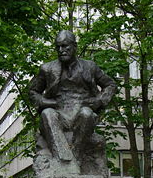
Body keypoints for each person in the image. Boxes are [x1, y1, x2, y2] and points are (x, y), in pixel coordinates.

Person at [29, 30, 116, 166]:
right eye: (58, 47)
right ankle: (63, 159)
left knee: (87, 114)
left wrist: (99, 101)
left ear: (74, 46)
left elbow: (110, 85)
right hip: (58, 111)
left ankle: (75, 158)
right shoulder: (47, 68)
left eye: (65, 46)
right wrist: (46, 102)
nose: (61, 50)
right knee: (47, 113)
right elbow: (33, 91)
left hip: (81, 111)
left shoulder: (89, 67)